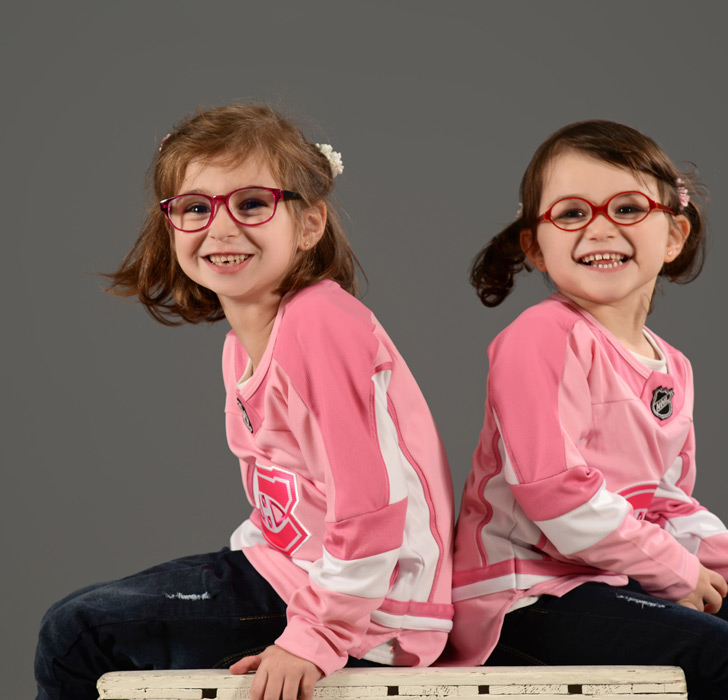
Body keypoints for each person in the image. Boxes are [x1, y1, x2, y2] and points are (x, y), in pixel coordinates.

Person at [35, 104, 455, 700]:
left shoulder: (320, 322)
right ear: (171, 226)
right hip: (290, 570)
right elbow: (287, 497)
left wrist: (314, 638)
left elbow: (371, 511)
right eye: (196, 207)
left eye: (252, 203)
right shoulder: (243, 345)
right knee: (80, 615)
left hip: (372, 611)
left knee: (75, 633)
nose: (222, 227)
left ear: (309, 225)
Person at [444, 120, 728, 699]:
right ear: (536, 247)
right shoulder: (540, 336)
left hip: (603, 581)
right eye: (570, 213)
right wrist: (675, 573)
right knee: (718, 650)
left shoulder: (673, 367)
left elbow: (669, 510)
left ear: (674, 234)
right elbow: (553, 492)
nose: (599, 227)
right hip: (519, 596)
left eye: (627, 207)